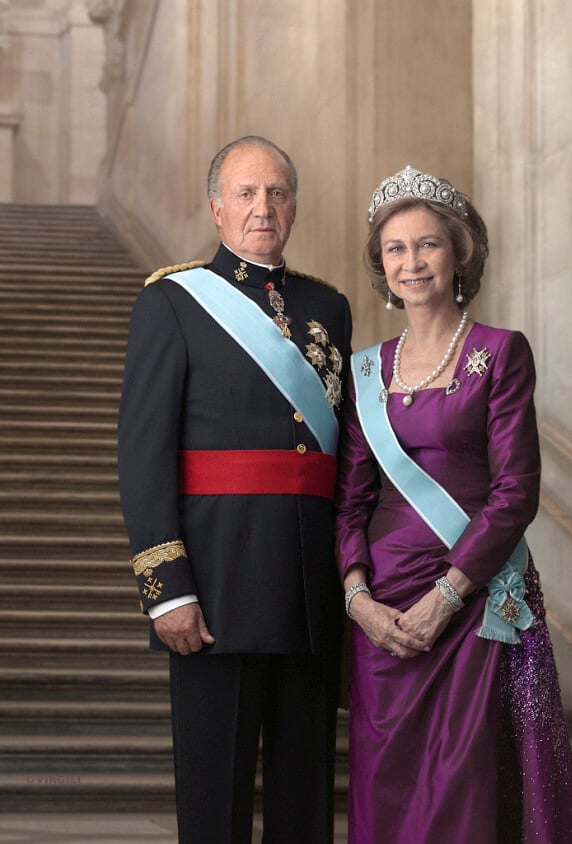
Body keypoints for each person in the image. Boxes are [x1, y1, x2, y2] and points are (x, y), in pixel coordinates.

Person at [335, 165, 572, 843]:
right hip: (384, 612)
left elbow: (515, 492)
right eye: (395, 248)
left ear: (459, 254)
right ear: (381, 267)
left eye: (427, 245)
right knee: (387, 787)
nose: (411, 262)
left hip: (471, 604)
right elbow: (350, 501)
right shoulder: (365, 370)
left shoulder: (499, 354)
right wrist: (358, 598)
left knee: (465, 786)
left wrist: (447, 594)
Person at [118, 136, 352, 843]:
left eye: (277, 193)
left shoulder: (329, 308)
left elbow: (341, 456)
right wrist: (170, 589)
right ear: (217, 207)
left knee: (304, 800)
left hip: (308, 588)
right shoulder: (173, 301)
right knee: (215, 801)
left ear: (294, 208)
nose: (263, 208)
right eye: (247, 194)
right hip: (214, 589)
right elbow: (143, 453)